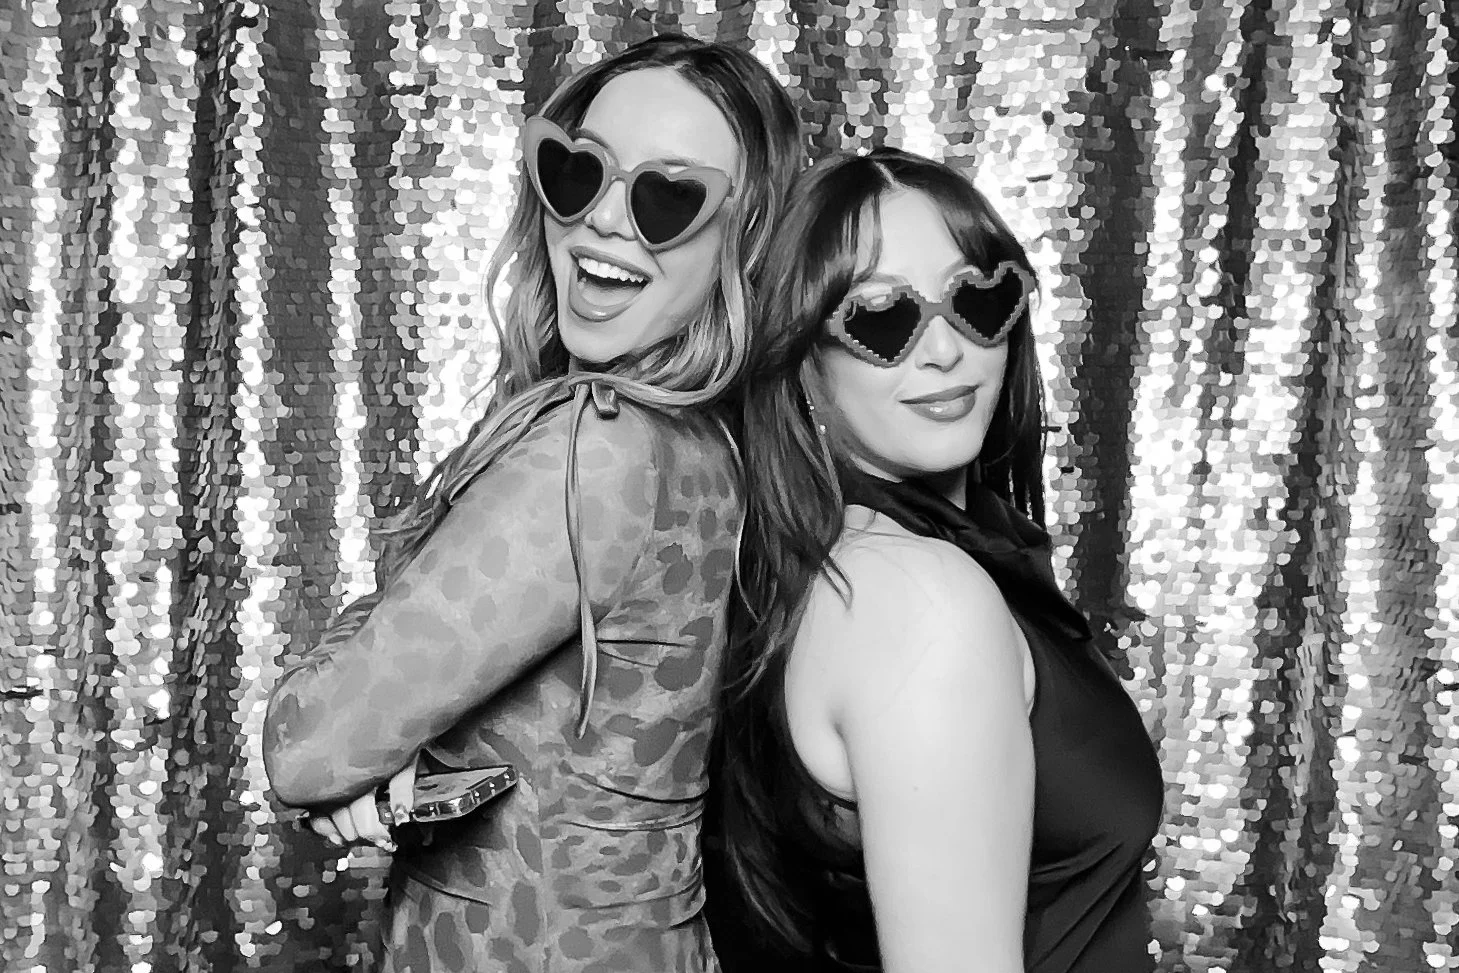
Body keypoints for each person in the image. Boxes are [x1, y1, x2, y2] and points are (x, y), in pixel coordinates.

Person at [262, 34, 803, 973]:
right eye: (577, 171)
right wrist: (409, 757)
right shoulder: (703, 443)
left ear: (745, 239)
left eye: (668, 197)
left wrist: (372, 734)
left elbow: (306, 744)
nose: (603, 221)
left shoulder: (602, 446)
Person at [707, 148, 1164, 973]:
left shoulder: (874, 561)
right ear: (802, 358)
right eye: (881, 318)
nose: (945, 350)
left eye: (977, 300)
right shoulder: (917, 598)